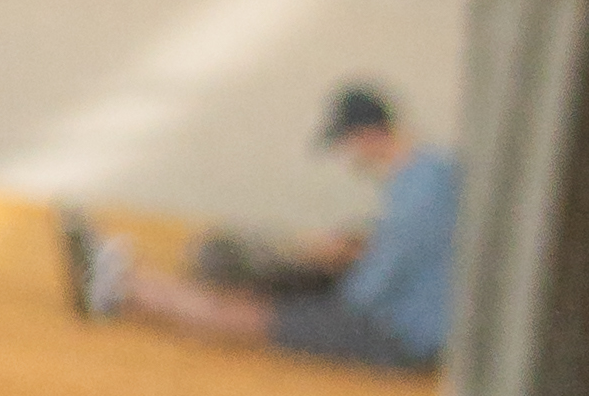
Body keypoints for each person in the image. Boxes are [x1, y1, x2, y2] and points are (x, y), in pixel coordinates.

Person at [64, 86, 457, 369]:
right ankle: (126, 283)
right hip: (405, 317)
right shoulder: (433, 172)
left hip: (396, 330)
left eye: (347, 146)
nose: (350, 159)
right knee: (254, 287)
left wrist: (323, 267)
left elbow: (379, 284)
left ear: (368, 136)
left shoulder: (422, 190)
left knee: (241, 313)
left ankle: (121, 287)